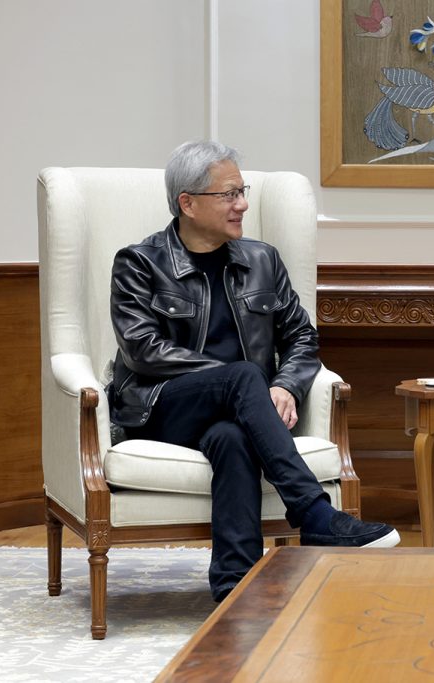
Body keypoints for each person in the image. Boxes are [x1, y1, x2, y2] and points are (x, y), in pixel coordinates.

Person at [108, 140, 400, 602]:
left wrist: (286, 386)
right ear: (188, 203)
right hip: (162, 408)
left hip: (241, 412)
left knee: (233, 438)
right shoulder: (140, 263)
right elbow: (142, 349)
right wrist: (246, 385)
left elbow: (301, 337)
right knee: (243, 376)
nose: (242, 204)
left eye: (242, 192)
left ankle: (235, 590)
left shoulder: (262, 260)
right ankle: (314, 514)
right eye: (229, 194)